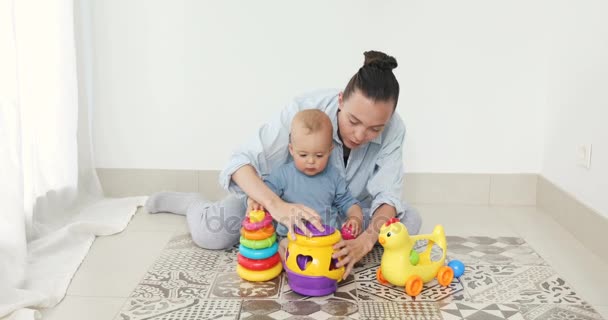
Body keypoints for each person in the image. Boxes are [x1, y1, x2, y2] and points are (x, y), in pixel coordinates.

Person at [145, 50, 422, 279]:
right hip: (281, 205)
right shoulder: (304, 109)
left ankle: (343, 236)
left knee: (408, 222)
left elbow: (387, 194)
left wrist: (364, 238)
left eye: (375, 129)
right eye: (353, 121)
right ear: (340, 100)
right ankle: (195, 204)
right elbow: (241, 162)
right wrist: (276, 206)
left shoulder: (395, 128)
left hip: (340, 210)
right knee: (212, 233)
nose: (360, 135)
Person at [249, 109, 364, 259]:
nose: (311, 161)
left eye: (319, 155)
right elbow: (264, 195)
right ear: (291, 149)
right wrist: (255, 202)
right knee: (282, 250)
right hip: (292, 239)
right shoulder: (282, 175)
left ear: (330, 151)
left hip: (326, 240)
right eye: (303, 155)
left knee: (341, 254)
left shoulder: (334, 177)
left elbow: (348, 202)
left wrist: (355, 218)